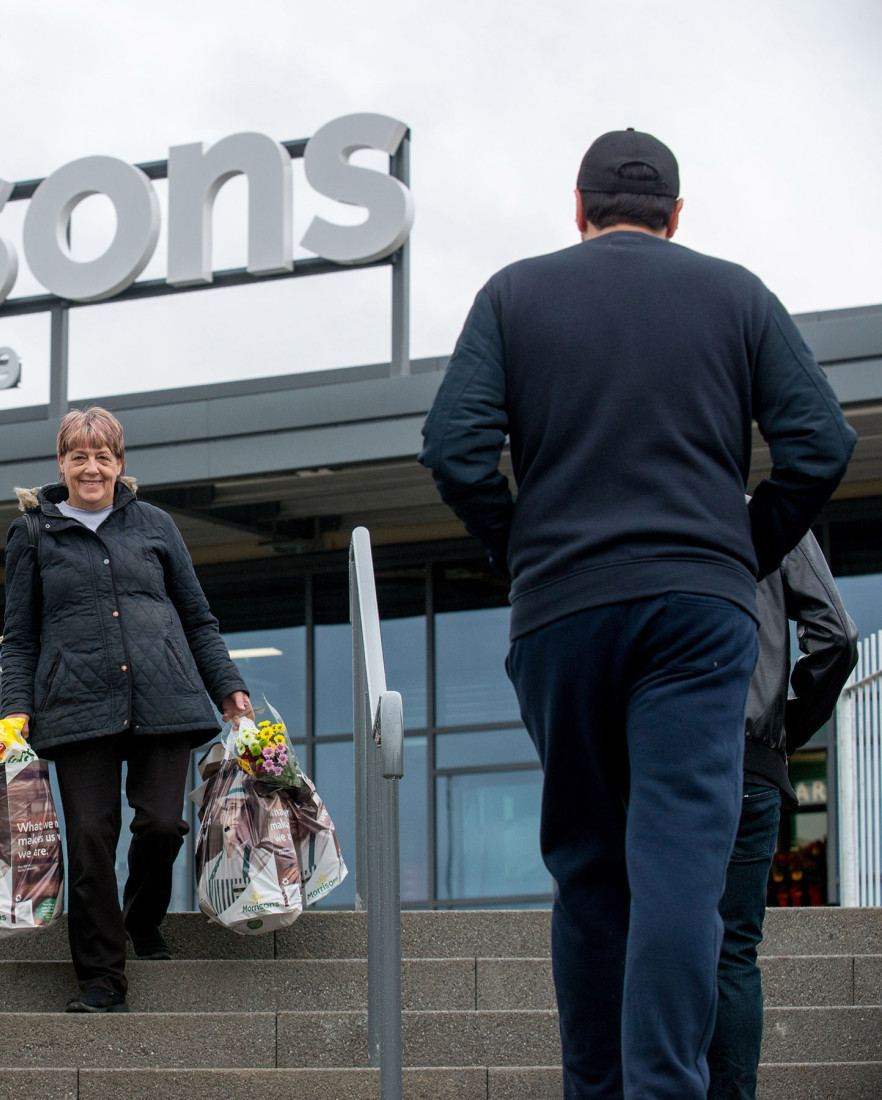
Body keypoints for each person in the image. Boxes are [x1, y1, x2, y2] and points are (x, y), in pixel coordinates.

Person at [418, 129, 855, 1097]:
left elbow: (451, 447)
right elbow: (823, 441)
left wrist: (520, 544)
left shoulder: (514, 293)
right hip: (698, 616)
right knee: (678, 874)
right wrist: (744, 548)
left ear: (577, 211)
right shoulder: (735, 292)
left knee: (588, 867)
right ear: (677, 214)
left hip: (564, 609)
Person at [0, 406, 252, 1014]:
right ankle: (102, 979)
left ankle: (141, 919)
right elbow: (21, 633)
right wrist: (16, 710)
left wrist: (231, 691)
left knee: (163, 823)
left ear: (120, 462)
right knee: (90, 835)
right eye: (79, 456)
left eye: (103, 455)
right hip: (77, 704)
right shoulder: (33, 532)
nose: (92, 468)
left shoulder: (156, 525)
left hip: (164, 696)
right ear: (60, 463)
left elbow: (197, 618)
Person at [710, 530, 857, 1099]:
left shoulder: (656, 500)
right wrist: (782, 734)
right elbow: (837, 638)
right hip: (752, 766)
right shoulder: (768, 518)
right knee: (734, 951)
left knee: (657, 937)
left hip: (669, 763)